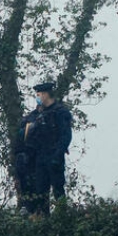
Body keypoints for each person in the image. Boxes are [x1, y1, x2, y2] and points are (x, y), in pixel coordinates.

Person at [24, 81, 73, 216]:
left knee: (58, 189)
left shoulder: (60, 112)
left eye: (39, 94)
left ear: (45, 94)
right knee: (41, 191)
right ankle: (44, 220)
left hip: (54, 156)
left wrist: (57, 155)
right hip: (40, 157)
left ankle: (62, 218)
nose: (37, 97)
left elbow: (66, 136)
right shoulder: (38, 114)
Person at [13, 105, 40, 212]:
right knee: (26, 186)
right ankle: (27, 207)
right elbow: (19, 140)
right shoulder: (29, 118)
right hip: (25, 158)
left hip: (38, 159)